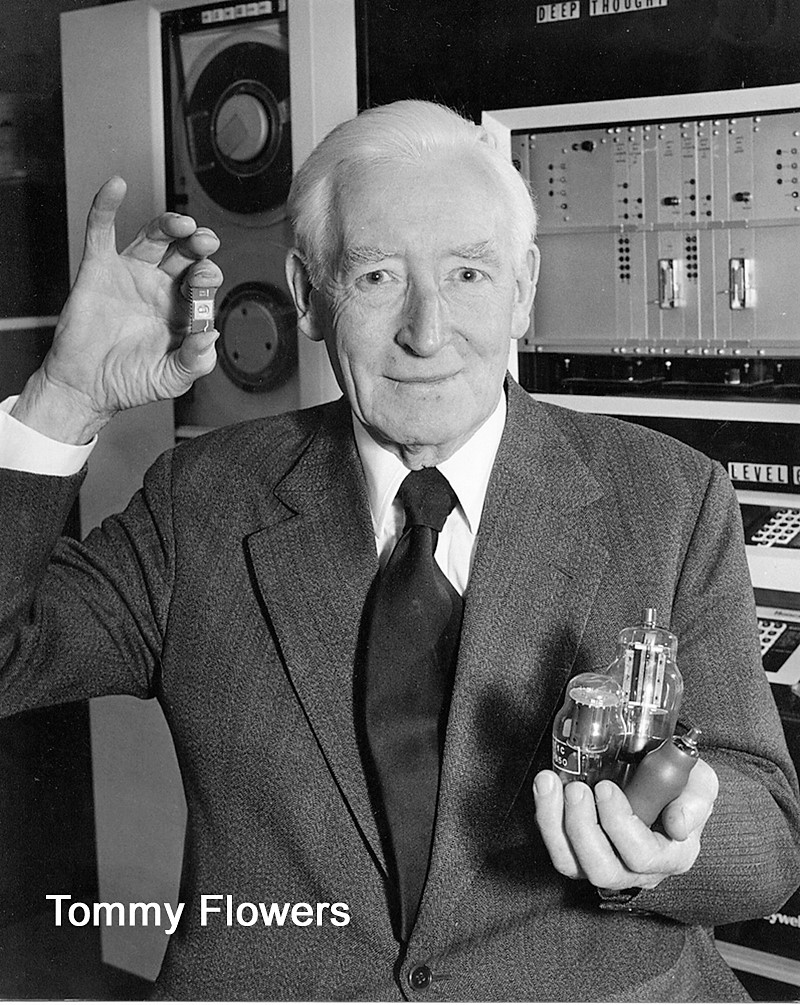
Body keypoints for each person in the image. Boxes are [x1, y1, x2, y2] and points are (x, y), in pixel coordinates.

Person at [1, 99, 798, 1002]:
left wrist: (673, 844)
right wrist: (64, 397)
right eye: (378, 276)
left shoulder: (670, 496)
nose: (427, 330)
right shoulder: (204, 499)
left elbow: (768, 838)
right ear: (309, 296)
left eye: (468, 273)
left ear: (524, 289)